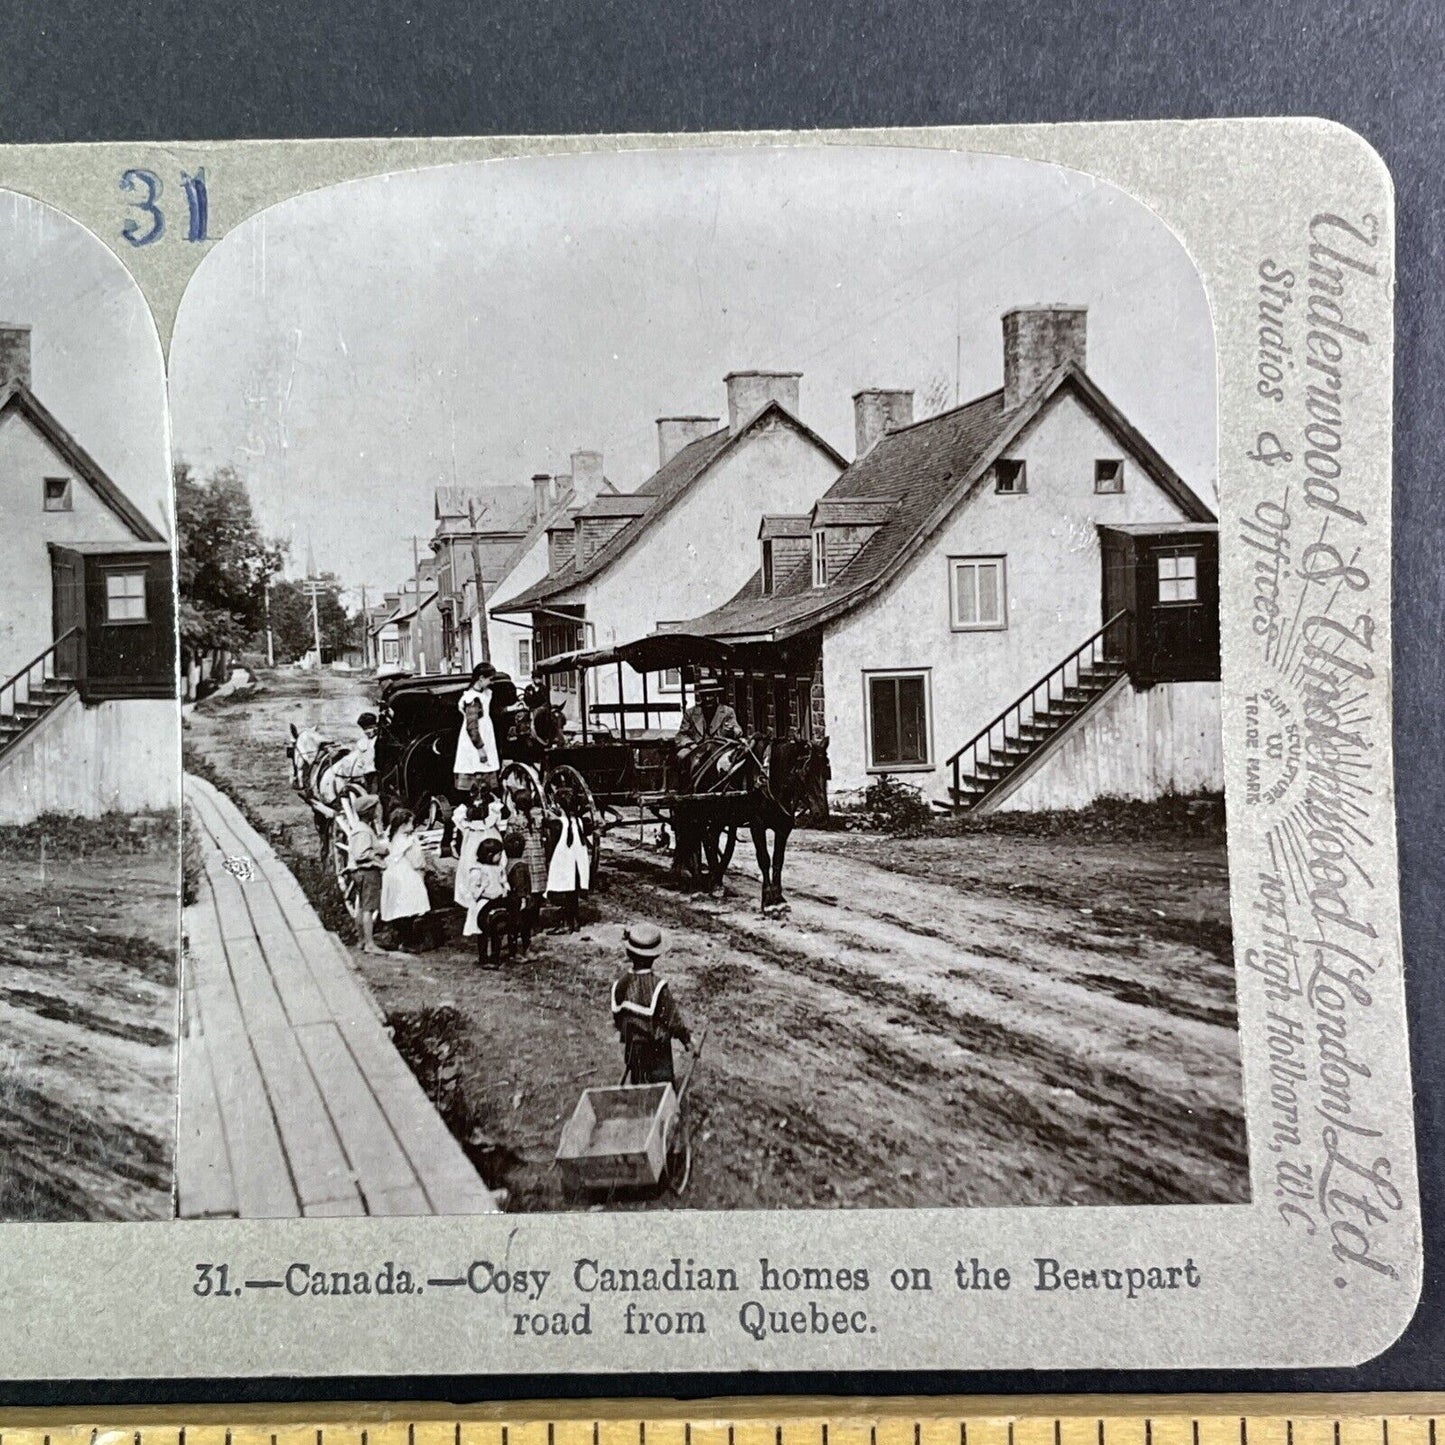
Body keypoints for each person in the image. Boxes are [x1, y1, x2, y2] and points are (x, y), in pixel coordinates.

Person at [610, 922, 693, 1085]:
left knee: (639, 1085)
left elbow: (619, 1020)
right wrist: (687, 1040)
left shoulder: (620, 985)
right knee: (661, 1088)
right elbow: (672, 1020)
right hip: (656, 1049)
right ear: (655, 956)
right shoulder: (657, 987)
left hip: (633, 1048)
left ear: (629, 953)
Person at [673, 675, 743, 786]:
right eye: (704, 695)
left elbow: (736, 728)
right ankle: (684, 788)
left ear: (716, 695)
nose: (707, 699)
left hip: (720, 751)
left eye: (711, 695)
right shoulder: (690, 713)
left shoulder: (727, 712)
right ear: (700, 696)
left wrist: (734, 730)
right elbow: (681, 736)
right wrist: (692, 746)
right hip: (696, 751)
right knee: (681, 757)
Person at [381, 808, 432, 950]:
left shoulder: (392, 837)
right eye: (411, 823)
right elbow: (416, 860)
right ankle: (408, 942)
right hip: (406, 876)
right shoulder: (408, 841)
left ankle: (401, 938)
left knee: (398, 908)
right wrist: (422, 868)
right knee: (409, 908)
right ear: (403, 825)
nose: (414, 826)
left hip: (393, 874)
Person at [348, 793, 390, 956]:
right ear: (370, 811)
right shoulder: (364, 831)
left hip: (359, 873)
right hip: (368, 872)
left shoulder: (359, 828)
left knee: (360, 907)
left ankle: (362, 940)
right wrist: (380, 854)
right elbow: (362, 853)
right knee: (369, 908)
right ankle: (370, 944)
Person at [545, 789, 592, 933]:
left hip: (565, 866)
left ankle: (566, 923)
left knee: (565, 893)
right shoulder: (579, 822)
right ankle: (575, 922)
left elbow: (549, 836)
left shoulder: (558, 824)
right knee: (573, 894)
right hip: (577, 865)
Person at [454, 662, 501, 794]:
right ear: (481, 678)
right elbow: (472, 727)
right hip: (476, 741)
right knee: (478, 771)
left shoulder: (485, 694)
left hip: (485, 734)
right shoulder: (472, 699)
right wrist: (480, 748)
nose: (491, 683)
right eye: (490, 679)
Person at [463, 835, 509, 967]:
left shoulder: (499, 868)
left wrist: (505, 889)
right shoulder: (478, 870)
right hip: (484, 903)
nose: (500, 857)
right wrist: (483, 888)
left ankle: (495, 957)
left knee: (496, 930)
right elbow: (473, 890)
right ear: (489, 855)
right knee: (482, 931)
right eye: (498, 854)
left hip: (497, 903)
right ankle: (483, 958)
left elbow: (503, 881)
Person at [502, 831, 537, 954]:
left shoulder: (507, 864)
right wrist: (523, 899)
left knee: (513, 926)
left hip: (511, 900)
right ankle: (523, 950)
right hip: (521, 901)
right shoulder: (520, 866)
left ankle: (514, 951)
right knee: (524, 926)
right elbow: (520, 885)